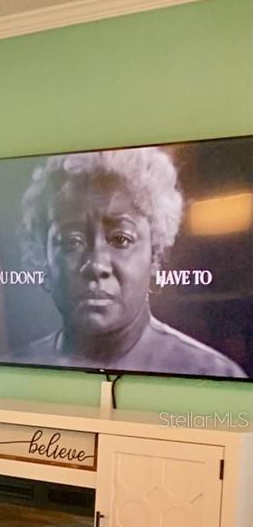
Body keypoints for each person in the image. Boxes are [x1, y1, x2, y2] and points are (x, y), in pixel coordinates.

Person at [16, 146, 246, 378]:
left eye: (121, 239)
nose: (96, 265)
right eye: (71, 241)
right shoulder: (18, 369)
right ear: (42, 257)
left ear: (154, 256)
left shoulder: (211, 372)